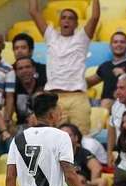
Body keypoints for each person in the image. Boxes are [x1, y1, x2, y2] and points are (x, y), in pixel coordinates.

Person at [29, 0, 100, 135]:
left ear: (76, 24)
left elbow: (95, 17)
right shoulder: (51, 37)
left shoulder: (82, 38)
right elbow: (33, 11)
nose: (67, 21)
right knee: (54, 140)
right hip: (54, 99)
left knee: (81, 138)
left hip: (77, 98)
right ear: (59, 22)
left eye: (71, 18)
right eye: (63, 17)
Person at [86, 31, 126, 110]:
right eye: (115, 42)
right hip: (104, 107)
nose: (118, 44)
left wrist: (124, 76)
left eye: (122, 42)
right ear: (111, 46)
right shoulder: (105, 66)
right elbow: (89, 82)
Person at [13, 57, 45, 131]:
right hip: (21, 128)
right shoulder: (13, 90)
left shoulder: (44, 86)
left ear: (34, 69)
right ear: (16, 72)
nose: (24, 71)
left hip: (42, 126)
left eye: (28, 67)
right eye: (20, 68)